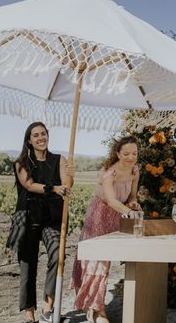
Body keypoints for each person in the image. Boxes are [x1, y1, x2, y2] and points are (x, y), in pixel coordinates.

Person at [70, 135, 141, 323]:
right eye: (126, 153)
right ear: (117, 153)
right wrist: (130, 212)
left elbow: (131, 197)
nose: (130, 157)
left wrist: (133, 204)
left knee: (106, 262)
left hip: (118, 216)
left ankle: (93, 306)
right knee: (98, 262)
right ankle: (98, 310)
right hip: (99, 215)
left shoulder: (135, 171)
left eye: (134, 153)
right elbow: (110, 200)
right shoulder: (109, 172)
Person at [11, 122, 72, 323]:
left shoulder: (59, 160)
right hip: (28, 219)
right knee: (28, 266)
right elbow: (29, 185)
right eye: (35, 135)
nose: (40, 138)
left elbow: (66, 185)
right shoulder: (21, 162)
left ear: (48, 136)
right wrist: (53, 189)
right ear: (29, 140)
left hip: (52, 218)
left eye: (43, 134)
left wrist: (70, 176)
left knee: (58, 254)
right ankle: (30, 315)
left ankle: (48, 308)